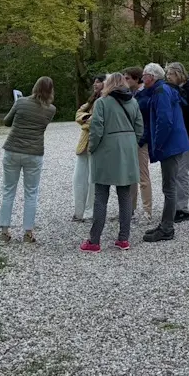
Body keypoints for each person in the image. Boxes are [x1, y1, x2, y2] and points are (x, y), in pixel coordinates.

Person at [80, 72, 143, 252]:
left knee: (101, 196)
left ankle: (94, 240)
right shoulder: (133, 102)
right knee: (125, 196)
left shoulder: (102, 102)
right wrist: (131, 143)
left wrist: (92, 147)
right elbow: (140, 127)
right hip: (127, 151)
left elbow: (96, 128)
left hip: (106, 150)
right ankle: (123, 238)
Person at [0, 76, 56, 243]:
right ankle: (28, 232)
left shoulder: (20, 102)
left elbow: (6, 122)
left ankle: (4, 231)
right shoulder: (51, 110)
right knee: (31, 193)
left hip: (13, 149)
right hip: (34, 152)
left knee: (8, 190)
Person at [141, 62, 189, 242]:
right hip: (174, 143)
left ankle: (167, 228)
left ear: (152, 77)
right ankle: (165, 224)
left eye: (144, 74)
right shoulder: (162, 90)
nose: (142, 78)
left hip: (170, 145)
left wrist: (158, 144)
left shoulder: (161, 92)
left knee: (169, 187)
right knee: (168, 186)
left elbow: (164, 121)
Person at [165, 63, 189, 223]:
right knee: (177, 173)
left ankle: (182, 209)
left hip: (187, 138)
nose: (168, 77)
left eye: (171, 74)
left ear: (179, 74)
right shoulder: (180, 90)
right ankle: (177, 206)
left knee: (181, 173)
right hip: (181, 137)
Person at [72, 75, 105, 222]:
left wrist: (86, 121)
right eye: (94, 82)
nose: (95, 84)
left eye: (98, 82)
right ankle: (79, 211)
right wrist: (87, 119)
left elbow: (98, 122)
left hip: (96, 144)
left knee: (93, 180)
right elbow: (79, 114)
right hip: (84, 143)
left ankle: (90, 211)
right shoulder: (92, 99)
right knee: (78, 178)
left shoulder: (106, 100)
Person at [124, 66, 153, 221]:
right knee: (130, 177)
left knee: (143, 177)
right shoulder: (130, 95)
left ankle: (147, 211)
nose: (125, 81)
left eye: (127, 78)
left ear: (136, 79)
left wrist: (142, 140)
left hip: (141, 141)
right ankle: (130, 209)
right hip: (129, 140)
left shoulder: (145, 95)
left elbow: (147, 121)